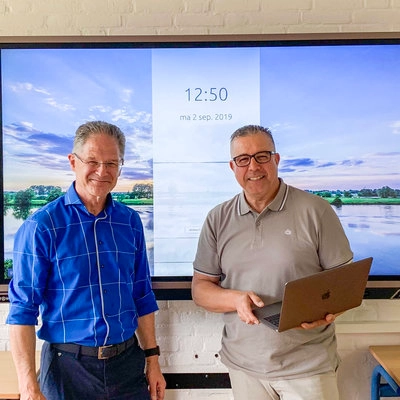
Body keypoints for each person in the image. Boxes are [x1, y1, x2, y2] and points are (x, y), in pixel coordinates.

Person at [192, 124, 353, 400]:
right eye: (243, 159)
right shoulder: (217, 218)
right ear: (233, 167)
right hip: (243, 365)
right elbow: (201, 289)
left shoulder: (317, 211)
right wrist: (235, 300)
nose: (253, 166)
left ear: (276, 160)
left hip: (308, 367)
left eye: (262, 156)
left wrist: (329, 311)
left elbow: (345, 284)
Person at [7, 121, 166, 400]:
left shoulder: (130, 222)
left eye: (112, 163)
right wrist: (29, 388)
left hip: (127, 366)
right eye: (92, 161)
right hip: (67, 370)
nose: (102, 171)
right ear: (73, 162)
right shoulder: (42, 226)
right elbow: (22, 310)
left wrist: (152, 359)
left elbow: (141, 295)